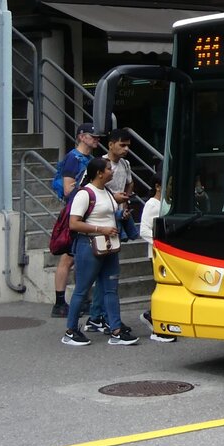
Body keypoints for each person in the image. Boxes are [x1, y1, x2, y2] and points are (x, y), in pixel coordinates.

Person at [61, 157, 138, 346]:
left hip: (109, 245)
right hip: (89, 245)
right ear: (99, 173)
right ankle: (70, 331)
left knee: (111, 288)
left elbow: (107, 214)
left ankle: (116, 330)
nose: (112, 171)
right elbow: (74, 223)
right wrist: (101, 229)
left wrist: (121, 215)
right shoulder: (84, 194)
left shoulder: (107, 192)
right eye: (109, 169)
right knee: (82, 289)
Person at [82, 128, 137, 335]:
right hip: (102, 221)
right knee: (103, 272)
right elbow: (90, 190)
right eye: (122, 145)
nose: (125, 149)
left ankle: (98, 316)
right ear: (111, 144)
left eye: (128, 145)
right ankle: (98, 316)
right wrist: (116, 200)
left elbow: (129, 183)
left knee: (108, 271)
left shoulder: (125, 164)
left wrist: (124, 205)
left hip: (117, 217)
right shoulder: (99, 165)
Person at [51, 122, 100, 317]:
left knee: (77, 258)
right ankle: (60, 303)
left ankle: (79, 301)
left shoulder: (88, 158)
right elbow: (67, 189)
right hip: (75, 212)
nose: (96, 139)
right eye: (92, 135)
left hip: (84, 211)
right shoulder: (73, 158)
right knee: (68, 257)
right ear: (81, 136)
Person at [137, 169, 176, 343]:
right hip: (157, 253)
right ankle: (155, 322)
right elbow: (144, 230)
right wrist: (160, 243)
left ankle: (157, 318)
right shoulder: (151, 205)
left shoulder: (170, 203)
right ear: (158, 186)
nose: (172, 188)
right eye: (169, 184)